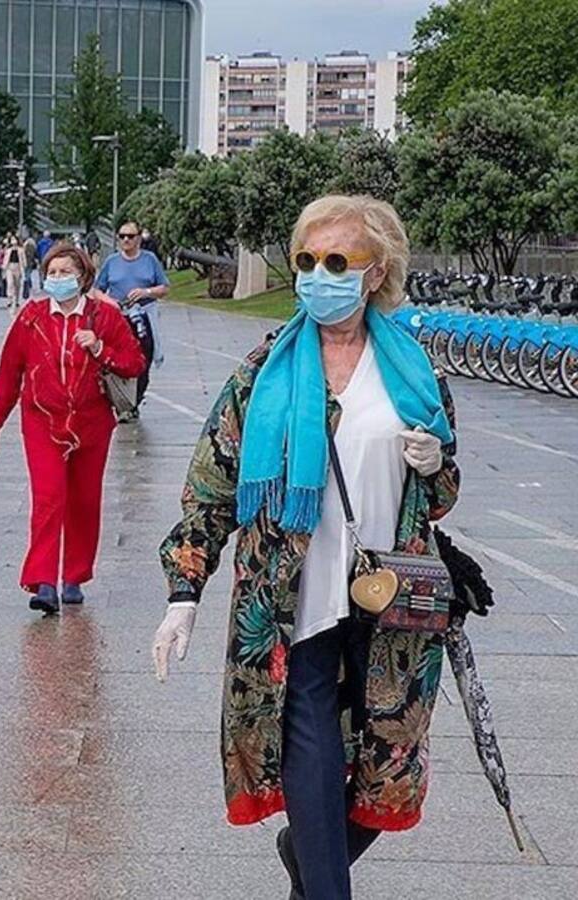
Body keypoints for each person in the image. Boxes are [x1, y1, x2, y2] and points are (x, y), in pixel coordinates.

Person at [151, 195, 460, 900]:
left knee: (388, 761)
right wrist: (182, 593)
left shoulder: (414, 371)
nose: (320, 275)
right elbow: (211, 485)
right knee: (311, 756)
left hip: (394, 604)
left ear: (375, 270)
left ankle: (308, 855)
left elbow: (443, 495)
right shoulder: (265, 373)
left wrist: (433, 461)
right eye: (307, 261)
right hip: (292, 604)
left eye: (337, 261)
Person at [0, 243, 146, 615]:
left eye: (65, 272)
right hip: (42, 422)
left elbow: (134, 363)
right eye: (52, 273)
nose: (57, 279)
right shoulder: (32, 317)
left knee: (84, 502)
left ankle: (74, 575)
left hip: (92, 424)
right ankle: (43, 582)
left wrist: (100, 347)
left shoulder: (104, 316)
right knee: (49, 498)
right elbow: (8, 376)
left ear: (83, 277)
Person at [95, 219, 169, 420]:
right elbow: (96, 290)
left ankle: (135, 400)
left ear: (138, 239)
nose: (126, 240)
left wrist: (146, 291)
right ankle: (121, 401)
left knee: (143, 360)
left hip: (143, 316)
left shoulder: (150, 260)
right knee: (118, 359)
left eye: (130, 236)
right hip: (119, 317)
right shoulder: (111, 262)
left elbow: (164, 288)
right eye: (122, 236)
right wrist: (111, 302)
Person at [1, 234, 25, 316]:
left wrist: (23, 270)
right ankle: (10, 299)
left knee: (17, 285)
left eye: (14, 239)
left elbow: (23, 261)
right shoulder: (8, 250)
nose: (13, 241)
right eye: (12, 240)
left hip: (17, 267)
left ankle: (17, 300)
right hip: (10, 268)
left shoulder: (21, 250)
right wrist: (4, 269)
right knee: (10, 283)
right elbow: (5, 259)